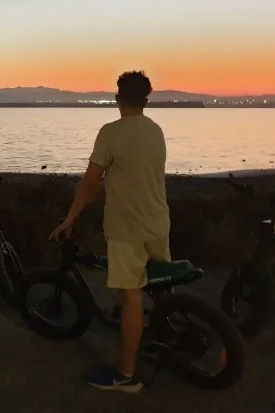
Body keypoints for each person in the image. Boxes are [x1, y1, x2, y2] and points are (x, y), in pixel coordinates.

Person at [49, 70, 171, 394]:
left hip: (127, 228)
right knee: (159, 286)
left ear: (118, 99)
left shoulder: (110, 133)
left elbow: (90, 182)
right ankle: (165, 336)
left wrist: (69, 219)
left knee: (130, 297)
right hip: (158, 222)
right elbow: (133, 175)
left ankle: (126, 376)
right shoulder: (155, 130)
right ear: (145, 100)